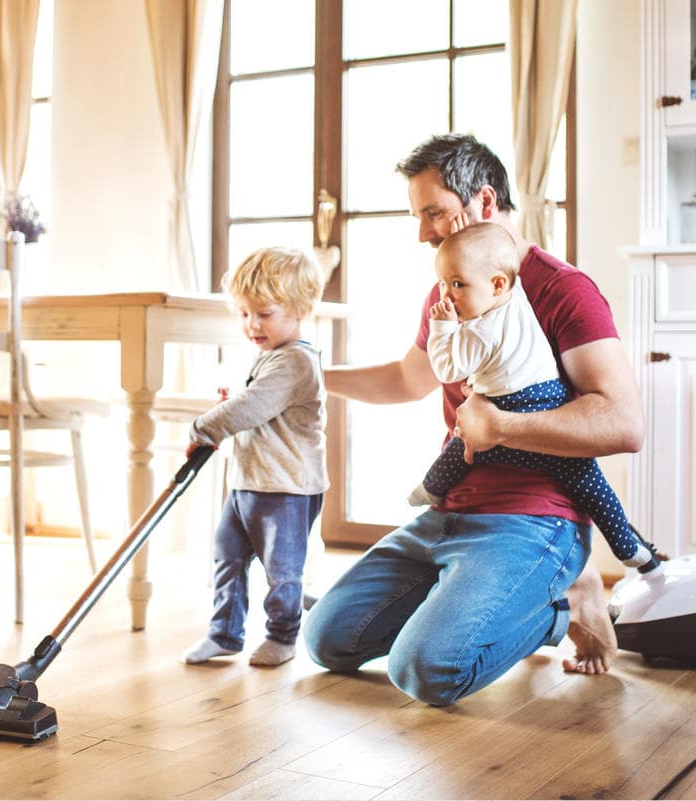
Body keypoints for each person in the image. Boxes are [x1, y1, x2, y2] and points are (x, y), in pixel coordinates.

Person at [303, 133, 644, 705]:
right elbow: (407, 380)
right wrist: (309, 376)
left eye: (433, 212)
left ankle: (563, 601)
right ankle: (477, 596)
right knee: (327, 642)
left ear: (485, 203)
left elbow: (622, 423)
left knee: (427, 671)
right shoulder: (450, 291)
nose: (422, 232)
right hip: (449, 511)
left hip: (534, 518)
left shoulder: (564, 291)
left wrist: (504, 427)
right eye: (418, 216)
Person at [408, 221, 653, 569]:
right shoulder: (516, 294)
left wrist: (442, 328)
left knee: (463, 448)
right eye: (443, 284)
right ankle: (630, 548)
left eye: (457, 284)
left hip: (510, 410)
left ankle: (430, 488)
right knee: (590, 483)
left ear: (496, 284)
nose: (445, 296)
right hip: (548, 396)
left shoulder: (480, 331)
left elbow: (447, 369)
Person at [181, 246, 329, 668]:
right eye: (244, 313)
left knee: (281, 569)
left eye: (263, 313)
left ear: (301, 309)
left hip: (284, 487)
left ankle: (283, 636)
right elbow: (255, 405)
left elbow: (251, 408)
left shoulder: (296, 361)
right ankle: (224, 633)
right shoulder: (272, 356)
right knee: (227, 553)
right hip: (248, 480)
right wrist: (236, 406)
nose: (252, 324)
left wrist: (203, 427)